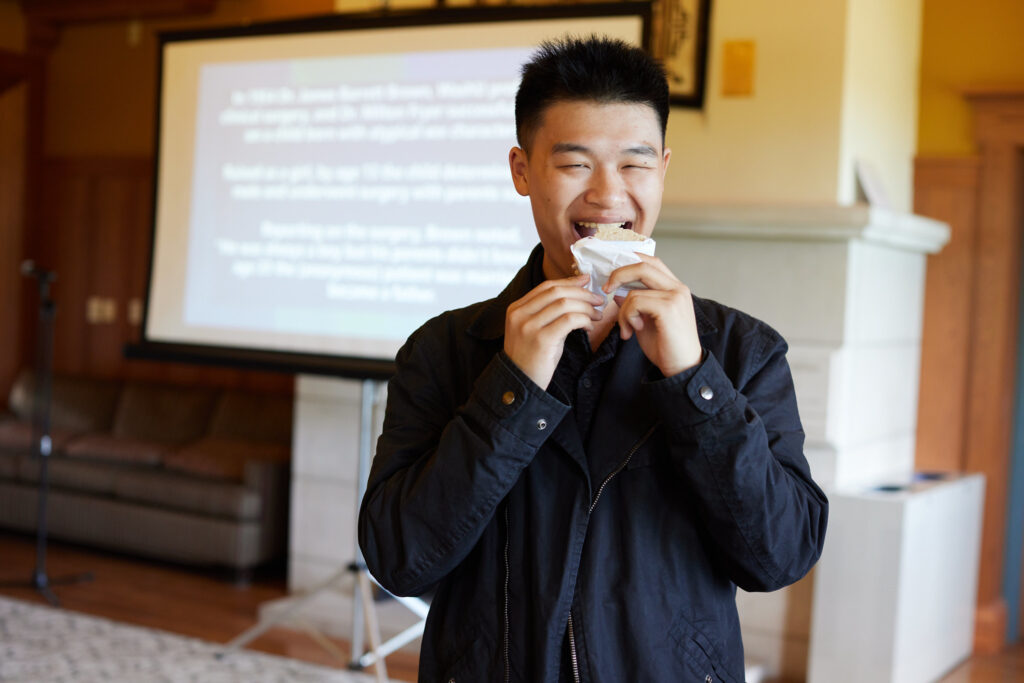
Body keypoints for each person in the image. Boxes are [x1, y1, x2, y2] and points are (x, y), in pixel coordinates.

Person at [358, 36, 828, 682]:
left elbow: (779, 556)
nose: (608, 196)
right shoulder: (445, 349)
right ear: (522, 170)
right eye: (575, 163)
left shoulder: (742, 350)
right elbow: (400, 557)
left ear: (663, 168)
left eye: (634, 164)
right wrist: (512, 388)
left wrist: (694, 380)